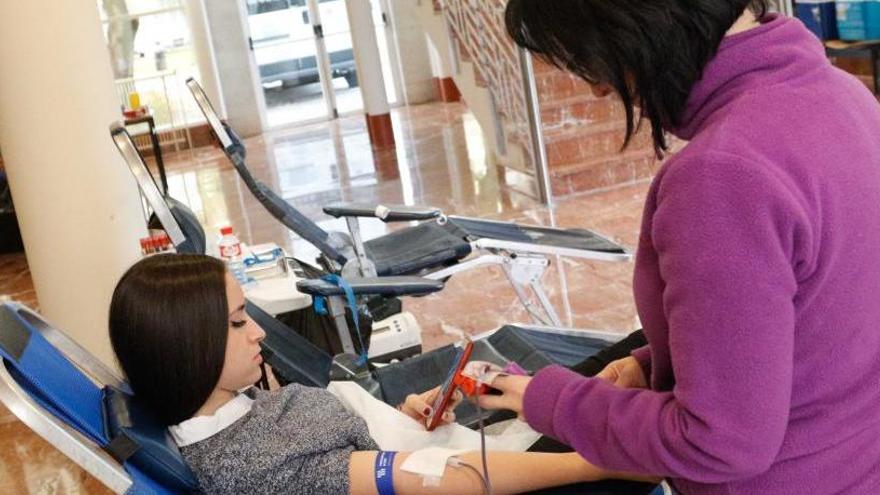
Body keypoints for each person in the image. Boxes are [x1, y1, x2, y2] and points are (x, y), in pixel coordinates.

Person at [479, 1, 880, 494]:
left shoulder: (724, 176)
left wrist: (552, 401)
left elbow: (717, 441)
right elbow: (822, 321)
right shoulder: (841, 93)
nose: (600, 88)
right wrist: (659, 363)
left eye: (594, 61)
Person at [108, 254, 652, 494]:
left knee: (634, 355)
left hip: (448, 445)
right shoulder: (257, 467)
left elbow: (360, 456)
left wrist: (402, 417)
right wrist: (599, 463)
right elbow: (454, 478)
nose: (258, 333)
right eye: (236, 322)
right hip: (496, 472)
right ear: (188, 346)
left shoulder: (235, 405)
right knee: (648, 377)